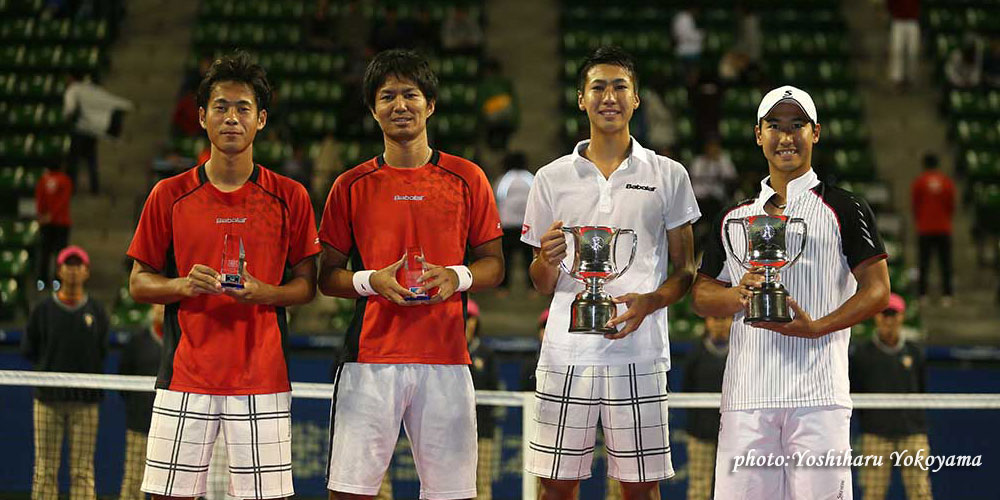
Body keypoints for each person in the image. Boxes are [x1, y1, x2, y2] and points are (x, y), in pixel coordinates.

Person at [127, 52, 320, 500]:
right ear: (201, 116)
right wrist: (182, 285)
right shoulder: (168, 195)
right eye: (221, 107)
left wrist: (263, 292)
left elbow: (307, 285)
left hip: (263, 379)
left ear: (261, 120)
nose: (231, 117)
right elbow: (139, 281)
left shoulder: (289, 196)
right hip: (184, 376)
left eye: (243, 108)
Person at [318, 49, 504, 500]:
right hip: (369, 360)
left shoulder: (467, 178)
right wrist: (370, 280)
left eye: (410, 94)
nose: (400, 105)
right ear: (373, 108)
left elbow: (494, 266)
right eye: (387, 97)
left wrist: (455, 277)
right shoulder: (350, 185)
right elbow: (326, 276)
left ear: (431, 104)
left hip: (446, 358)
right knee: (349, 493)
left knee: (452, 495)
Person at [692, 85, 891, 499]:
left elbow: (878, 291)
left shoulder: (846, 208)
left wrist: (817, 327)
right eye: (775, 126)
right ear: (758, 135)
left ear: (815, 132)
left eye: (797, 125)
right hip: (747, 395)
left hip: (819, 396)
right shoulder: (733, 217)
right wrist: (737, 295)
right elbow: (701, 295)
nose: (786, 137)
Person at [521, 46, 700, 499]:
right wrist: (546, 258)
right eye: (598, 87)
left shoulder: (669, 174)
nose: (609, 96)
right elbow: (541, 283)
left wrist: (652, 302)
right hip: (566, 354)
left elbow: (687, 270)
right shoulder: (550, 177)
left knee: (641, 488)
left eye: (620, 86)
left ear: (636, 99)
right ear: (581, 98)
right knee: (555, 487)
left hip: (639, 352)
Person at [21, 245, 109, 500]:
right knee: (45, 469)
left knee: (82, 470)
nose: (73, 270)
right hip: (47, 402)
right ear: (59, 270)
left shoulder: (97, 311)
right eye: (68, 265)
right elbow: (30, 349)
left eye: (78, 265)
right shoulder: (42, 310)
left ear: (86, 272)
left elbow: (101, 351)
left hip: (86, 403)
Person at [850, 294, 933, 500]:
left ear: (901, 317)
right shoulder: (861, 354)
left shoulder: (915, 352)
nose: (889, 320)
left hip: (912, 433)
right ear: (877, 317)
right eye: (884, 314)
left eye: (893, 315)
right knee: (873, 492)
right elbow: (856, 391)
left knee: (920, 492)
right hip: (876, 435)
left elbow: (921, 388)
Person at [118, 303, 164, 500]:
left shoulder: (182, 340)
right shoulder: (137, 342)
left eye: (166, 304)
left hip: (170, 428)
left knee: (167, 484)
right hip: (139, 425)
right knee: (133, 480)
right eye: (158, 304)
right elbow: (124, 379)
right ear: (152, 307)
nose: (162, 308)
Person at [682, 316, 731, 500]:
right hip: (700, 433)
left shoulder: (742, 351)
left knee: (732, 485)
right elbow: (687, 388)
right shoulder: (696, 353)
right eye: (715, 318)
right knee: (699, 487)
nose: (719, 322)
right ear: (707, 322)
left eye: (724, 319)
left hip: (732, 435)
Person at [62, 71, 133, 194]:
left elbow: (70, 109)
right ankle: (94, 188)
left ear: (71, 77)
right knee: (91, 161)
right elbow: (109, 101)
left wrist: (67, 119)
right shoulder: (90, 88)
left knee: (74, 162)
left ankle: (71, 189)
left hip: (80, 131)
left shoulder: (73, 90)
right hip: (93, 131)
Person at [910, 153, 955, 305]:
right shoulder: (946, 182)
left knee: (924, 262)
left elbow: (915, 205)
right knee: (945, 263)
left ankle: (922, 294)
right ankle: (947, 294)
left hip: (925, 228)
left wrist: (921, 220)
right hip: (943, 228)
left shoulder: (920, 182)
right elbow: (951, 205)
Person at [465, 299, 498, 500]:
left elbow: (493, 388)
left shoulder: (486, 354)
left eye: (470, 318)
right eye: (464, 317)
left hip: (483, 429)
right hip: (454, 429)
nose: (467, 322)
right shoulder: (448, 349)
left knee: (482, 482)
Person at [494, 151, 534, 293]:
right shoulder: (530, 179)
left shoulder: (505, 180)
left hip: (508, 224)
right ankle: (532, 288)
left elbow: (499, 198)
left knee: (507, 257)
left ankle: (503, 288)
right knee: (529, 257)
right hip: (526, 224)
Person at [35, 161, 74, 290]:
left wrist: (42, 215)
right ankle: (58, 281)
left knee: (45, 251)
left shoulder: (43, 180)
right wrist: (52, 215)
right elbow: (64, 201)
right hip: (61, 222)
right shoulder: (65, 180)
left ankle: (42, 281)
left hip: (47, 222)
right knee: (60, 253)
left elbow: (39, 200)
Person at [887, 0, 921, 90]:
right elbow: (889, 4)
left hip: (912, 21)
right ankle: (897, 78)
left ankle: (911, 77)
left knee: (912, 51)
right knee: (897, 50)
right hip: (898, 21)